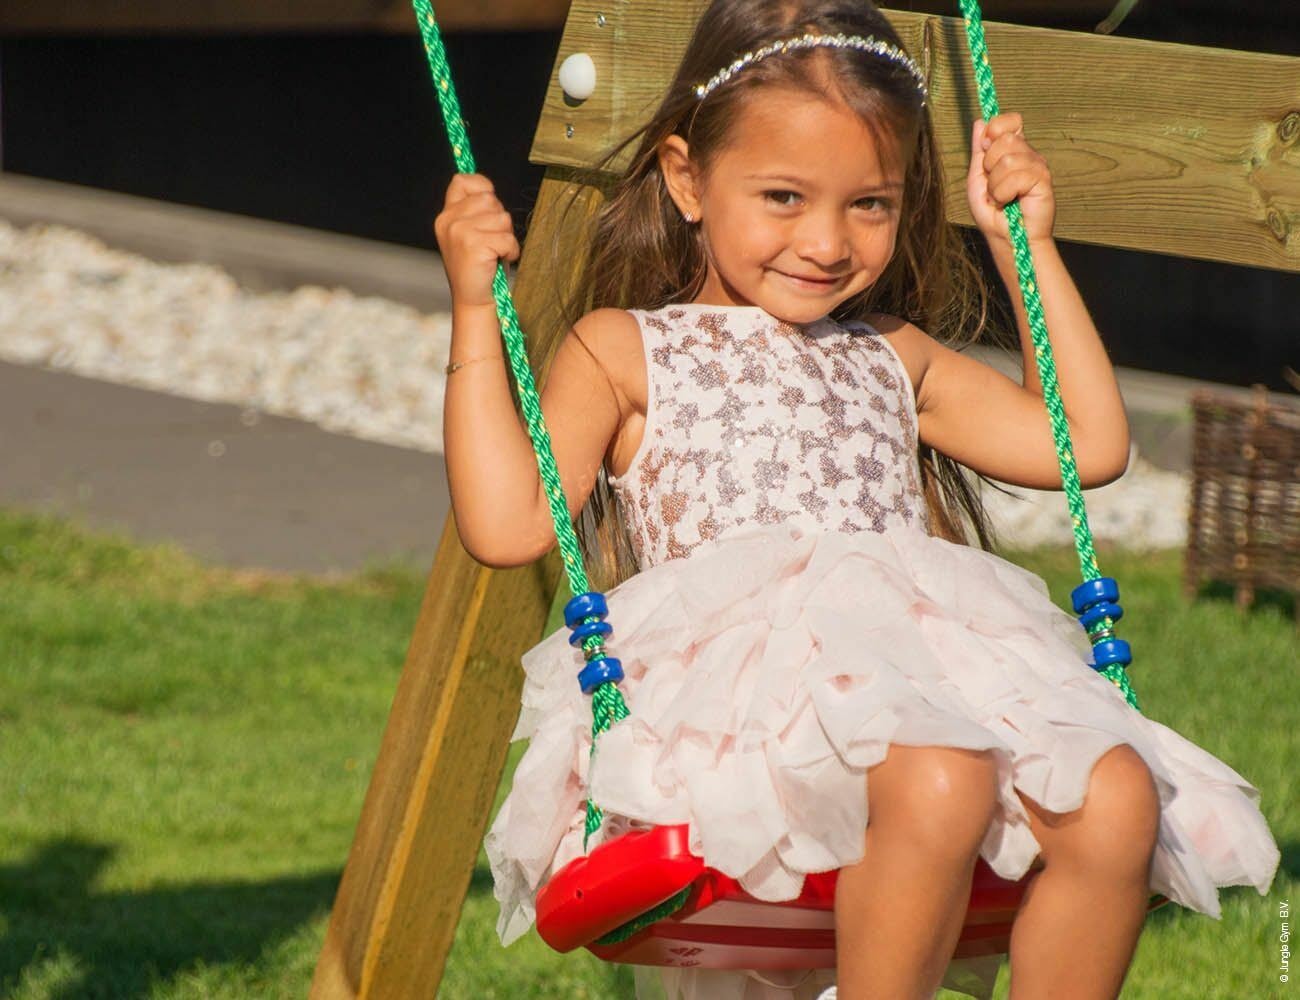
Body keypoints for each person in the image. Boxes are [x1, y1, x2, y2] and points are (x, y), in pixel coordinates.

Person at [434, 1, 1281, 997]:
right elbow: (506, 523)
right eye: (784, 196)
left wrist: (1027, 250)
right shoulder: (627, 350)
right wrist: (471, 312)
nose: (828, 242)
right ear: (685, 178)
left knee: (1116, 796)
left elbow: (1084, 445)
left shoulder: (889, 357)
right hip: (745, 721)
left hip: (915, 692)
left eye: (869, 204)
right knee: (938, 770)